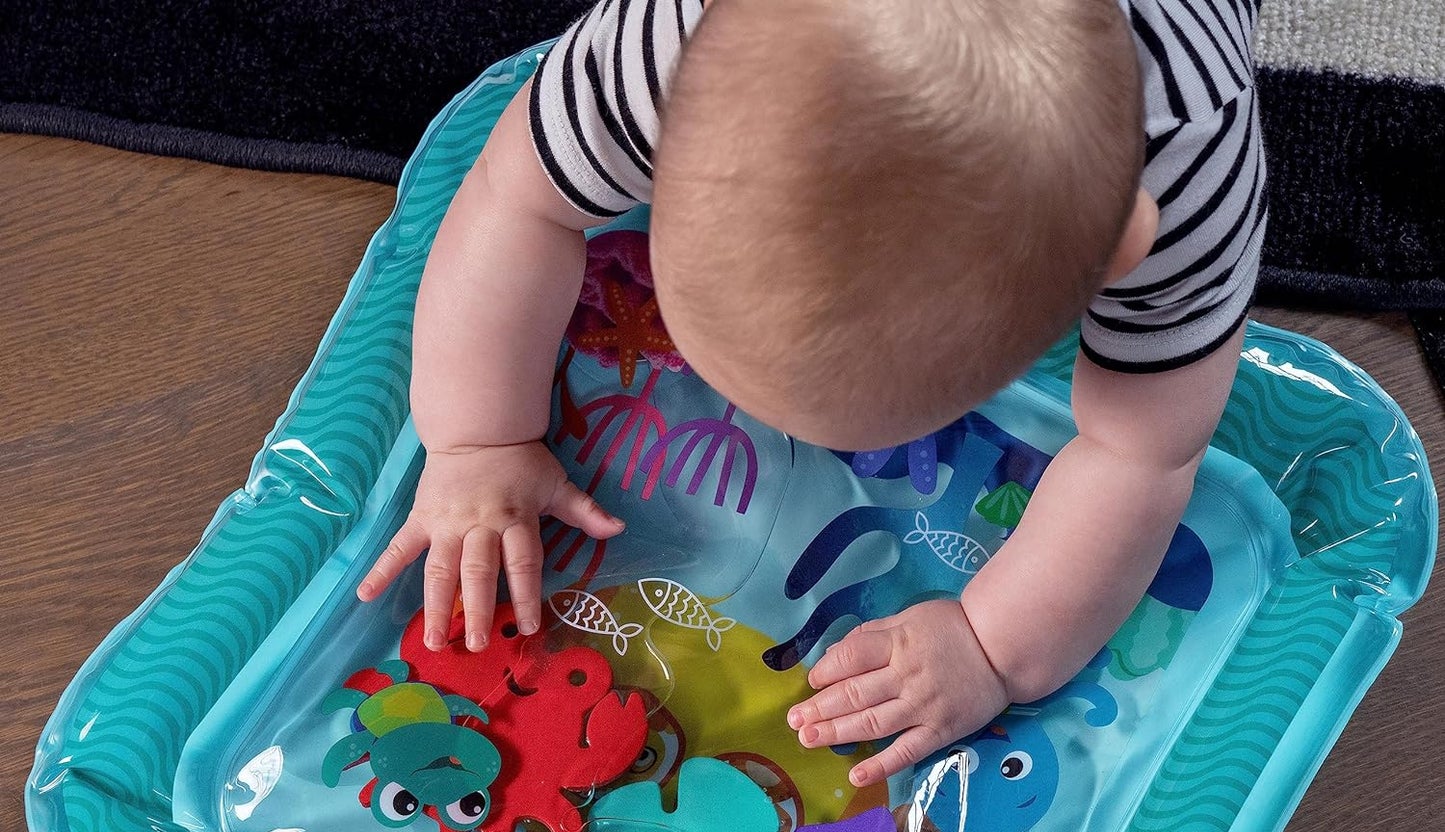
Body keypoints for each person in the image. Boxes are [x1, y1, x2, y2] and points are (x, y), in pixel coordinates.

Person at [356, 0, 1265, 790]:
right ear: (659, 142)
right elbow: (518, 196)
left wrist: (994, 646)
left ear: (1115, 254)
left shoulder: (1185, 168)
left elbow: (1145, 449)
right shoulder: (661, 43)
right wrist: (477, 440)